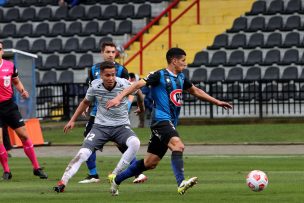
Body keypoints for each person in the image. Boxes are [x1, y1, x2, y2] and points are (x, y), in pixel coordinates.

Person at [106, 48, 232, 195]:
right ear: (174, 60)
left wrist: (217, 102)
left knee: (150, 163)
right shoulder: (158, 75)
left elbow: (196, 91)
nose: (185, 64)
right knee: (178, 146)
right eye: (183, 60)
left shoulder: (181, 78)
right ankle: (181, 183)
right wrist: (118, 98)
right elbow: (136, 85)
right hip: (161, 120)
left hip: (169, 122)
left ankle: (116, 180)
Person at [53, 61, 145, 193]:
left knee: (135, 143)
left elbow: (139, 93)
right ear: (101, 75)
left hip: (121, 127)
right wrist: (72, 120)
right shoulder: (95, 86)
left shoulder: (124, 84)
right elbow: (85, 102)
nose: (111, 78)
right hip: (100, 127)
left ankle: (114, 174)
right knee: (83, 153)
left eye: (113, 75)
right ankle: (63, 182)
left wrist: (142, 107)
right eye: (107, 75)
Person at [79, 41, 147, 184]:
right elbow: (92, 89)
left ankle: (137, 173)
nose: (111, 54)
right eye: (108, 52)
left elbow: (130, 91)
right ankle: (93, 174)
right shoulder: (93, 70)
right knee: (88, 140)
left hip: (116, 113)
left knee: (122, 145)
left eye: (113, 52)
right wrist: (86, 105)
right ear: (102, 53)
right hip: (98, 113)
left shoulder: (122, 70)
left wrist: (127, 106)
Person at [0, 41, 47, 180]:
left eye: (0, 49)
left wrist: (22, 91)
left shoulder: (9, 66)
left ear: (2, 51)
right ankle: (7, 171)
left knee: (24, 136)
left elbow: (15, 81)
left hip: (9, 106)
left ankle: (36, 167)